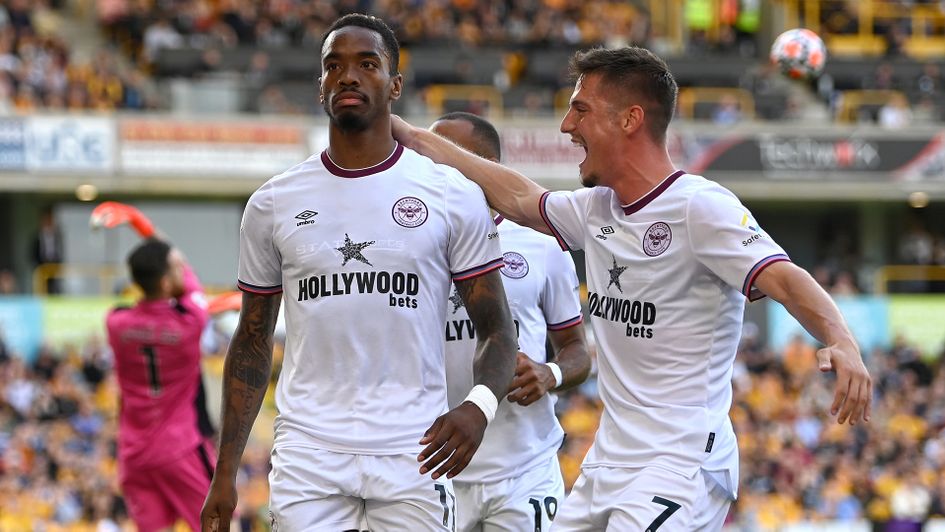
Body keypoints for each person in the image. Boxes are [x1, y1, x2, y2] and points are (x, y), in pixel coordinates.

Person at [392, 45, 873, 530]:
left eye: (580, 110)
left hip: (681, 463)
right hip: (609, 462)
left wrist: (842, 341)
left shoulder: (699, 207)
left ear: (630, 119)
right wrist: (408, 134)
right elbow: (519, 196)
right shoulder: (596, 210)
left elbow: (786, 279)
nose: (566, 126)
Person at [200, 14, 518, 532]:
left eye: (367, 64)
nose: (348, 76)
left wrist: (478, 406)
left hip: (415, 448)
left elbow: (498, 330)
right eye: (333, 66)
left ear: (394, 85)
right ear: (320, 87)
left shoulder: (450, 194)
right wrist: (225, 470)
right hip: (309, 451)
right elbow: (253, 340)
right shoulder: (272, 203)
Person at [431, 112, 591, 532]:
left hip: (526, 471)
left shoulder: (541, 244)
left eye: (440, 158)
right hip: (435, 471)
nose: (427, 168)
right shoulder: (410, 243)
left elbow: (577, 351)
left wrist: (549, 372)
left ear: (484, 166)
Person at [99, 201, 216, 532]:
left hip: (134, 452)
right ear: (166, 282)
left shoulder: (116, 322)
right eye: (175, 269)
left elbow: (170, 273)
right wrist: (142, 224)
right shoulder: (190, 320)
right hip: (180, 447)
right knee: (218, 525)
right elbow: (188, 276)